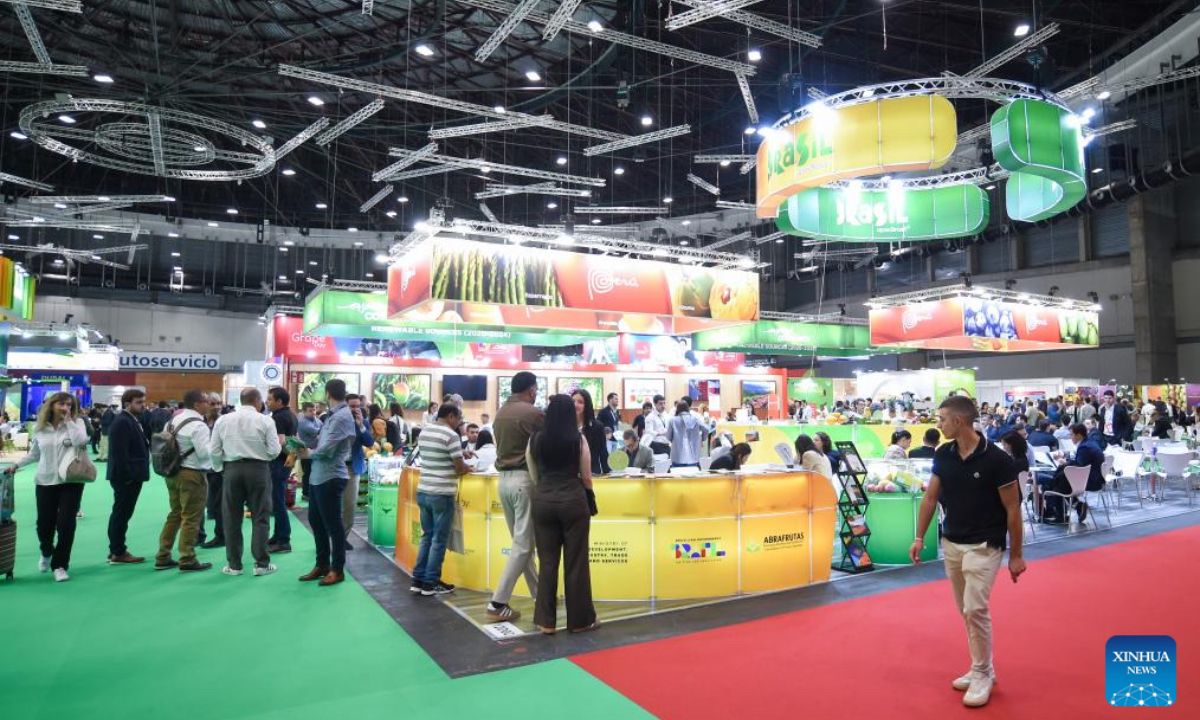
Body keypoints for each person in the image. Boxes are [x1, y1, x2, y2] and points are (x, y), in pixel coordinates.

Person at [910, 396, 1024, 708]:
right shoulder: (944, 453)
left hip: (985, 544)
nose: (939, 424)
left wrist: (1016, 555)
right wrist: (919, 537)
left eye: (942, 419)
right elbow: (931, 498)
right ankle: (980, 666)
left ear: (959, 421)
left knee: (975, 609)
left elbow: (1013, 509)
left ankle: (983, 673)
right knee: (965, 610)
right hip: (952, 542)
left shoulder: (998, 460)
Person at [529, 394, 599, 634]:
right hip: (573, 501)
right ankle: (580, 621)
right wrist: (589, 497)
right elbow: (587, 477)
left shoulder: (535, 439)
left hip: (543, 501)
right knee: (576, 563)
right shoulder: (578, 440)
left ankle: (545, 622)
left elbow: (533, 474)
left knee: (547, 562)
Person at [9, 392, 89, 582]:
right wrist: (17, 465)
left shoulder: (77, 424)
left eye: (69, 405)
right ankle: (46, 551)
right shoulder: (40, 428)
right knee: (44, 525)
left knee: (66, 524)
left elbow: (81, 442)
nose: (65, 408)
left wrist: (69, 421)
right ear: (51, 405)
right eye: (62, 404)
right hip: (45, 481)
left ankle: (60, 565)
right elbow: (35, 454)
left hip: (71, 480)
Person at [486, 371, 544, 623]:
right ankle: (498, 603)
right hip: (524, 481)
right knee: (523, 546)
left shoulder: (500, 412)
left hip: (504, 483)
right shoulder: (533, 413)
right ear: (531, 390)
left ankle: (541, 597)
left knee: (524, 546)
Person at [210, 388, 282, 578]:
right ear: (257, 401)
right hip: (258, 470)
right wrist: (259, 458)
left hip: (231, 470)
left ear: (241, 401)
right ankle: (261, 564)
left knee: (231, 518)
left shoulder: (223, 420)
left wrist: (220, 469)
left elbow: (214, 451)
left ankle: (234, 566)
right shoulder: (266, 420)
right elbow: (274, 451)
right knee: (261, 516)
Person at [295, 379, 355, 586]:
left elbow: (328, 449)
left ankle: (337, 569)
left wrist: (307, 453)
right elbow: (323, 443)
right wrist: (304, 449)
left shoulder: (341, 417)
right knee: (317, 522)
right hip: (318, 476)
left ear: (328, 393)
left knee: (333, 525)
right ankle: (322, 564)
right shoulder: (333, 416)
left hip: (331, 476)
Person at [412, 403, 469, 596]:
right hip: (442, 493)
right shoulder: (451, 435)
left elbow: (439, 456)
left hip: (423, 490)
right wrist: (468, 466)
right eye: (459, 419)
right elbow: (460, 468)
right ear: (451, 416)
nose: (459, 423)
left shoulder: (425, 431)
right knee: (438, 540)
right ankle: (431, 583)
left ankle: (418, 580)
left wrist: (460, 455)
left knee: (427, 536)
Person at [154, 390, 214, 573]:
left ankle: (163, 555)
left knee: (175, 514)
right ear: (197, 404)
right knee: (191, 517)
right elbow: (204, 453)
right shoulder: (199, 425)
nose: (209, 405)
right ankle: (187, 557)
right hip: (193, 474)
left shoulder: (172, 421)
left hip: (172, 473)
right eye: (206, 402)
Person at [107, 389, 150, 566]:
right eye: (139, 402)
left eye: (143, 401)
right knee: (121, 514)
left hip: (130, 475)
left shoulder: (130, 420)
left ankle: (116, 550)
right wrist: (128, 476)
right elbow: (119, 453)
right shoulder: (123, 421)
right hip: (126, 477)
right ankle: (118, 551)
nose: (143, 405)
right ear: (127, 404)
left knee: (122, 513)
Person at [1045, 424, 1106, 520]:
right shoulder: (1089, 443)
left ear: (1079, 435)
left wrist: (1065, 462)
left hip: (1090, 481)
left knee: (1059, 480)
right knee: (1060, 476)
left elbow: (1079, 466)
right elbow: (1080, 462)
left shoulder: (1084, 447)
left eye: (1071, 435)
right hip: (1096, 478)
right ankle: (1075, 504)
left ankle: (1061, 514)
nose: (1070, 437)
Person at [264, 387, 298, 555]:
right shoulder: (291, 415)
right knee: (278, 501)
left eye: (269, 399)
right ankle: (278, 536)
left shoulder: (278, 417)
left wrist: (288, 455)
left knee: (277, 503)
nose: (266, 402)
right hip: (285, 463)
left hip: (278, 464)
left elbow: (281, 442)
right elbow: (293, 441)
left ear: (279, 401)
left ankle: (284, 539)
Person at [342, 394, 376, 549]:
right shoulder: (337, 421)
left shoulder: (364, 422)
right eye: (352, 406)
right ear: (345, 406)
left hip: (352, 468)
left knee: (350, 505)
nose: (355, 409)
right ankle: (332, 537)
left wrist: (361, 425)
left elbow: (370, 443)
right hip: (335, 467)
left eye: (357, 406)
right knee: (334, 506)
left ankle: (342, 538)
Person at [197, 392, 226, 549]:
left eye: (219, 403)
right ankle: (198, 535)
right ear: (205, 404)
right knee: (198, 504)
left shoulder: (225, 421)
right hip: (200, 467)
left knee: (220, 505)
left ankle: (221, 536)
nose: (217, 407)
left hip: (219, 468)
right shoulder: (198, 421)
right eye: (213, 403)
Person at [666, 400, 709, 469]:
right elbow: (706, 429)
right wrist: (702, 438)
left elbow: (668, 437)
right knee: (692, 476)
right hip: (693, 455)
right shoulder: (695, 419)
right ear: (688, 408)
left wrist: (673, 441)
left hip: (677, 455)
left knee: (677, 476)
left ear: (677, 409)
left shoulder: (672, 420)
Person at [297, 401, 322, 502]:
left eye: (314, 410)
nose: (313, 412)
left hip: (315, 452)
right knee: (308, 473)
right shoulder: (303, 422)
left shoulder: (316, 420)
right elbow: (319, 431)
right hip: (306, 452)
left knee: (313, 473)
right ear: (304, 412)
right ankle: (306, 494)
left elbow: (322, 428)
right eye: (310, 411)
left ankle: (310, 493)